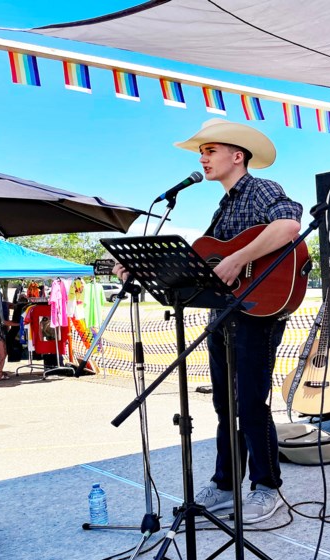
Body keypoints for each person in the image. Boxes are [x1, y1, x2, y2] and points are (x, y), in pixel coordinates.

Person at [113, 118, 301, 523]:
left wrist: (237, 258)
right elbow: (202, 262)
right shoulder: (225, 205)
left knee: (250, 402)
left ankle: (266, 488)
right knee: (223, 404)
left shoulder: (261, 189)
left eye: (210, 151)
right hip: (224, 315)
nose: (203, 158)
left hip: (258, 311)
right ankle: (225, 484)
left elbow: (288, 225)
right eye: (202, 152)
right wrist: (142, 268)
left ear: (238, 156)